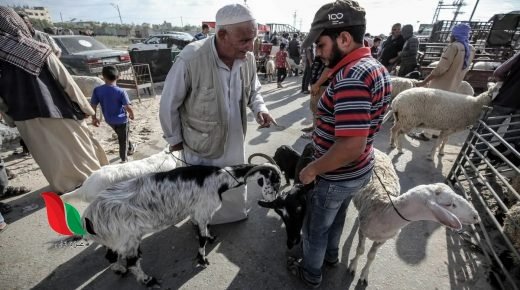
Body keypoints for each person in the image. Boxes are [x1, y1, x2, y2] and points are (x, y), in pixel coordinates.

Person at [292, 0, 392, 287]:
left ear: (344, 39)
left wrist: (313, 169)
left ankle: (311, 273)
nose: (318, 53)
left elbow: (349, 146)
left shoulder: (351, 78)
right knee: (336, 218)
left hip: (336, 173)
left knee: (315, 228)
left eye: (321, 45)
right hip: (357, 171)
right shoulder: (373, 67)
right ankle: (332, 257)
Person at [159, 3, 275, 224]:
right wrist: (174, 139)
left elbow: (254, 91)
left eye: (253, 39)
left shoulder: (247, 59)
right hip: (200, 142)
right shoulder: (191, 58)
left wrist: (261, 109)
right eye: (244, 40)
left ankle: (233, 215)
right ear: (222, 34)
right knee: (203, 187)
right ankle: (203, 221)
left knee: (232, 180)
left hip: (233, 140)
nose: (251, 47)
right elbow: (168, 104)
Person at [0, 7, 109, 193]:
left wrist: (11, 120)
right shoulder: (37, 50)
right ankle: (96, 188)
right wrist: (85, 108)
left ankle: (66, 192)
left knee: (51, 159)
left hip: (25, 119)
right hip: (60, 111)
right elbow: (67, 82)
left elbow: (1, 100)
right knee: (82, 153)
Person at [410, 23, 476, 141]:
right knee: (442, 110)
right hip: (454, 85)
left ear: (455, 34)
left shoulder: (454, 47)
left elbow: (440, 69)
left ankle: (427, 134)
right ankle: (436, 132)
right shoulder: (470, 49)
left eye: (452, 33)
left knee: (432, 109)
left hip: (440, 85)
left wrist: (424, 82)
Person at [91, 66, 136, 163]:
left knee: (122, 135)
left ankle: (130, 147)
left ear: (103, 77)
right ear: (118, 77)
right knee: (122, 140)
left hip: (109, 120)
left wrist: (94, 118)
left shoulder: (97, 90)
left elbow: (93, 105)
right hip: (122, 120)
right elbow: (127, 106)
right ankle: (124, 160)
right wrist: (132, 114)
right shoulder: (121, 91)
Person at [301, 55, 330, 138]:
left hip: (321, 85)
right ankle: (314, 127)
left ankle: (316, 132)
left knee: (319, 110)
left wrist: (317, 84)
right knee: (314, 108)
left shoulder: (330, 51)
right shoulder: (320, 50)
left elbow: (328, 69)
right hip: (316, 84)